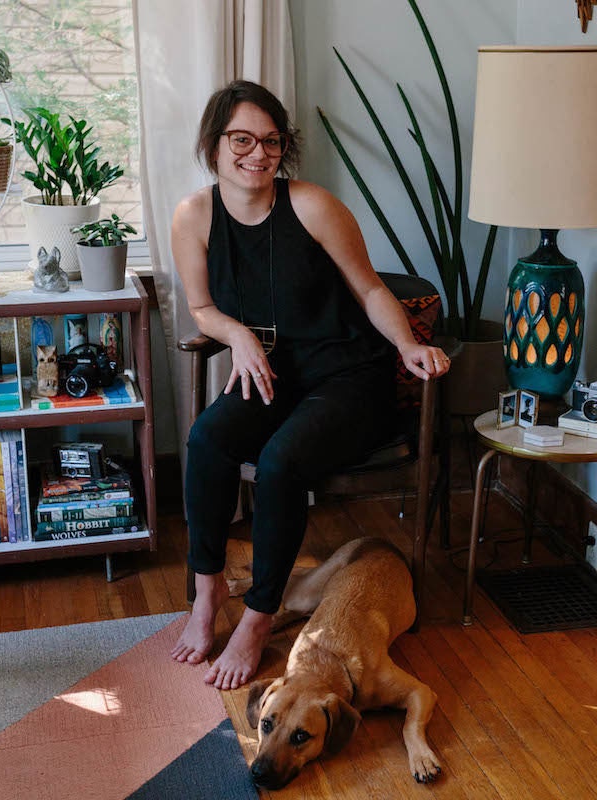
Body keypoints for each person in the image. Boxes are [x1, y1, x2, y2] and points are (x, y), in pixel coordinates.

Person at [169, 80, 451, 690]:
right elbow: (201, 308)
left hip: (347, 377)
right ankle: (208, 589)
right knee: (207, 440)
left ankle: (258, 615)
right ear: (214, 145)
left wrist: (407, 344)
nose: (257, 153)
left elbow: (371, 288)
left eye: (270, 141)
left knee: (280, 462)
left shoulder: (313, 205)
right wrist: (238, 336)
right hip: (270, 371)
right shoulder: (194, 216)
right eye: (241, 139)